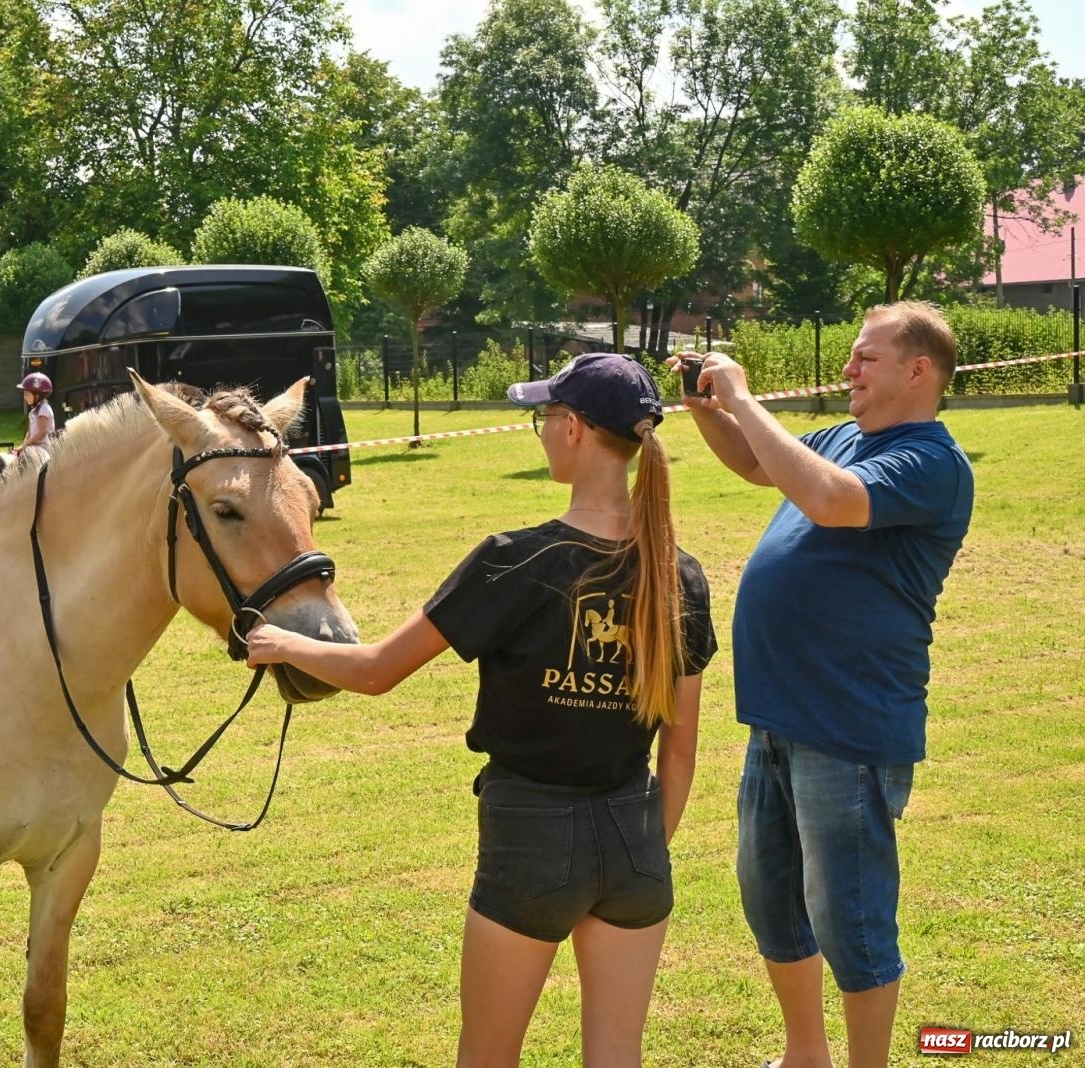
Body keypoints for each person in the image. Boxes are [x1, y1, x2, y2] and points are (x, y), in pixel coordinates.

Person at [247, 353, 716, 1067]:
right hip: (637, 839)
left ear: (578, 431)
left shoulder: (513, 560)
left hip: (531, 835)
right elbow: (678, 753)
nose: (542, 430)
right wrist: (642, 848)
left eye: (546, 417)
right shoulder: (679, 572)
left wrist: (283, 641)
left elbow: (376, 673)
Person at [673, 300, 974, 1068]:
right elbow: (754, 461)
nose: (847, 370)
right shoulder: (845, 436)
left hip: (851, 727)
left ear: (918, 371)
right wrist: (709, 409)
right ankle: (806, 1053)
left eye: (864, 359)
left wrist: (743, 395)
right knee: (770, 899)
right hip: (777, 716)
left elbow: (833, 500)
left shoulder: (932, 463)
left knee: (851, 919)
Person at [13, 371, 55, 454]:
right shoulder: (34, 411)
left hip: (43, 449)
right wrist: (22, 446)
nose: (25, 397)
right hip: (34, 448)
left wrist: (27, 445)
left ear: (37, 396)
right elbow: (29, 433)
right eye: (24, 394)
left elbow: (42, 432)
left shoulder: (44, 409)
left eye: (27, 394)